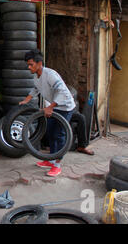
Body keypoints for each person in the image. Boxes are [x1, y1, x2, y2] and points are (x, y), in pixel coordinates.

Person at [19, 49, 75, 177]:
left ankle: (57, 165)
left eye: (31, 64)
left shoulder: (50, 75)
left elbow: (62, 92)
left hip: (65, 106)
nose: (29, 67)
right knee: (49, 132)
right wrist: (26, 100)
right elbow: (36, 88)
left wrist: (51, 107)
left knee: (59, 135)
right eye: (28, 64)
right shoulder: (37, 76)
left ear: (39, 63)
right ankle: (51, 160)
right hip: (54, 106)